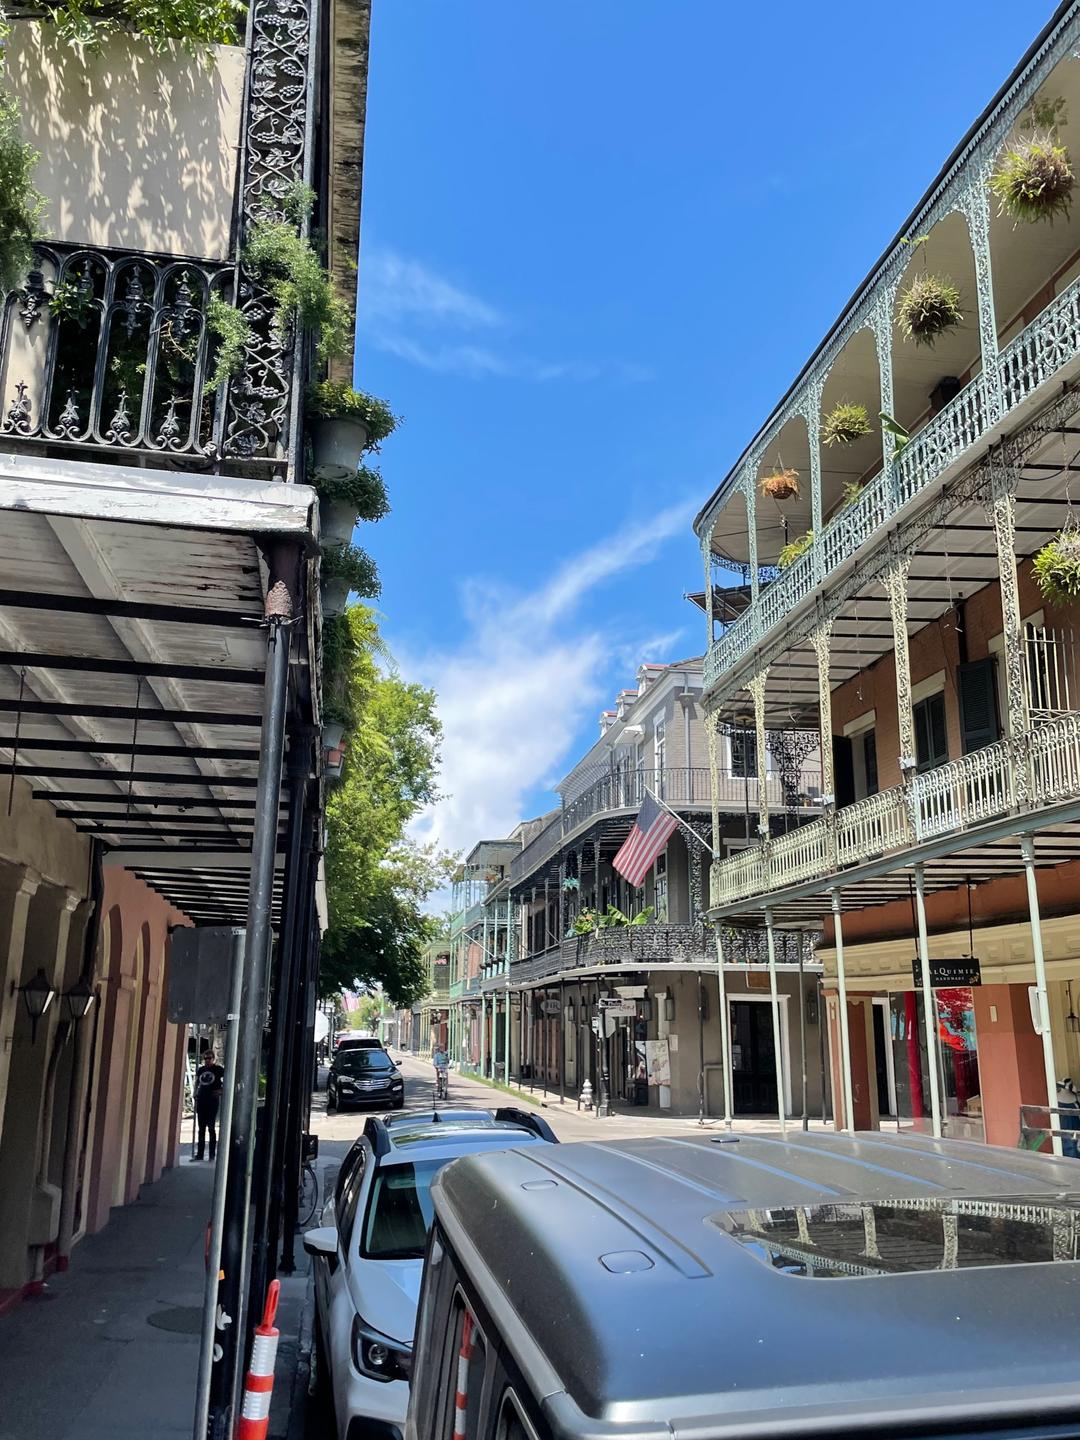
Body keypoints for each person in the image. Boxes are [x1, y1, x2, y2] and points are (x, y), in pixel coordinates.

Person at [194, 1041, 224, 1161]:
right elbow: (197, 1082)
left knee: (211, 1127)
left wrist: (221, 1091)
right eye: (205, 1058)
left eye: (209, 1058)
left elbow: (227, 1081)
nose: (207, 1060)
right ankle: (200, 1154)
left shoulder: (218, 1070)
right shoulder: (201, 1070)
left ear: (213, 1059)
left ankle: (212, 1154)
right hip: (202, 1099)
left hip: (212, 1101)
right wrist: (195, 1093)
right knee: (201, 1128)